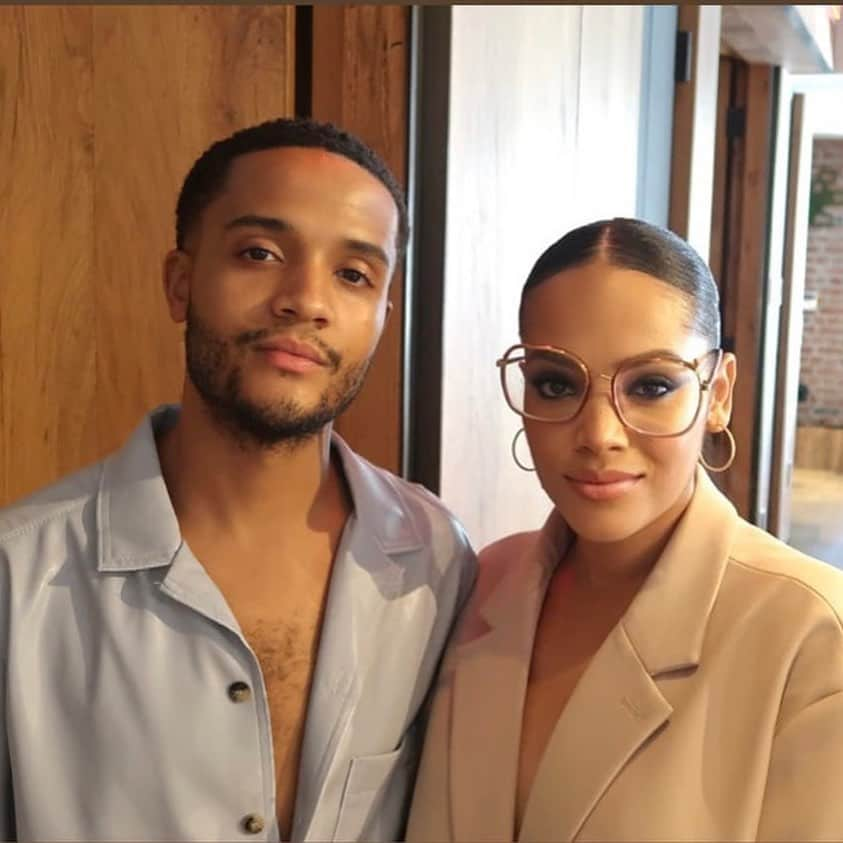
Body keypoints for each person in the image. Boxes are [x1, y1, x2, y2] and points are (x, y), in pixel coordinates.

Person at [0, 118, 476, 842]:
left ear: (383, 314)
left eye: (353, 274)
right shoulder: (19, 575)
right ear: (180, 282)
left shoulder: (436, 561)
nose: (304, 299)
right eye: (259, 252)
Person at [407, 217, 843, 841]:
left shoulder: (812, 635)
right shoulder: (481, 585)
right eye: (556, 384)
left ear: (717, 393)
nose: (599, 435)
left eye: (651, 385)